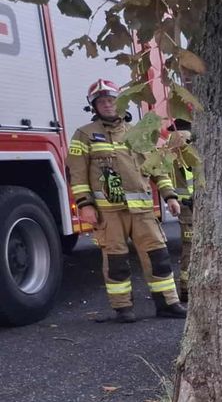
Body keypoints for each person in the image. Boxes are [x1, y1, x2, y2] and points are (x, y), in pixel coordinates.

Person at [67, 79, 187, 322]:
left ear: (121, 102)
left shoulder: (139, 134)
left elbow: (156, 168)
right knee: (116, 261)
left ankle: (168, 304)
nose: (107, 105)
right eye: (102, 101)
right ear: (94, 106)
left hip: (143, 212)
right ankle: (123, 308)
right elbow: (77, 174)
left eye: (111, 100)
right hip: (109, 213)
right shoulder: (84, 134)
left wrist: (170, 196)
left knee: (158, 257)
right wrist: (84, 204)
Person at [165, 119, 197, 302]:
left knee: (189, 244)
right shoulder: (185, 139)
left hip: (183, 201)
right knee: (191, 245)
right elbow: (190, 170)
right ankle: (187, 287)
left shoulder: (171, 140)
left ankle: (187, 285)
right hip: (190, 202)